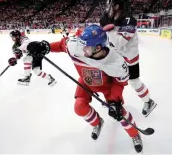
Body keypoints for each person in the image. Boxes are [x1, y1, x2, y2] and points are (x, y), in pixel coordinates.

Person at [31, 25, 143, 153]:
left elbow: (119, 84)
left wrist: (115, 101)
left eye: (86, 47)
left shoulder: (116, 62)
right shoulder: (76, 47)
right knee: (79, 107)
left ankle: (134, 134)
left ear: (98, 48)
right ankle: (97, 122)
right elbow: (62, 44)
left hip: (107, 88)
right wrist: (45, 47)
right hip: (86, 82)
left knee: (120, 113)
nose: (82, 50)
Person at [100, 0, 157, 117]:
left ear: (117, 6)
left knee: (134, 82)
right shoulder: (112, 18)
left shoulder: (129, 21)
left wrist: (109, 30)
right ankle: (114, 102)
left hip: (129, 58)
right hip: (117, 56)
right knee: (110, 79)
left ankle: (149, 102)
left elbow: (119, 42)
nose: (108, 9)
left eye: (111, 6)